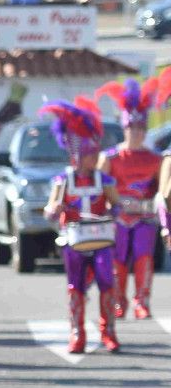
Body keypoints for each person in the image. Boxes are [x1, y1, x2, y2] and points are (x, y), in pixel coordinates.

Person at [42, 98, 121, 353]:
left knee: (107, 282)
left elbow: (117, 204)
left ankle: (108, 332)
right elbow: (50, 208)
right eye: (89, 154)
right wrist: (55, 210)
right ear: (76, 154)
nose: (93, 158)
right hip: (74, 240)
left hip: (101, 239)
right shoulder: (62, 181)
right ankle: (77, 333)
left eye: (95, 153)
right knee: (75, 287)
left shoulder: (104, 179)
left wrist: (116, 209)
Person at [95, 78, 162, 320]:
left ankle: (142, 301)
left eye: (141, 129)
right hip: (118, 219)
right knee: (119, 261)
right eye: (132, 128)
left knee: (144, 258)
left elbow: (163, 190)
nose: (136, 133)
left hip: (145, 218)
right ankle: (118, 301)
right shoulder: (110, 158)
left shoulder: (156, 159)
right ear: (124, 128)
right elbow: (99, 189)